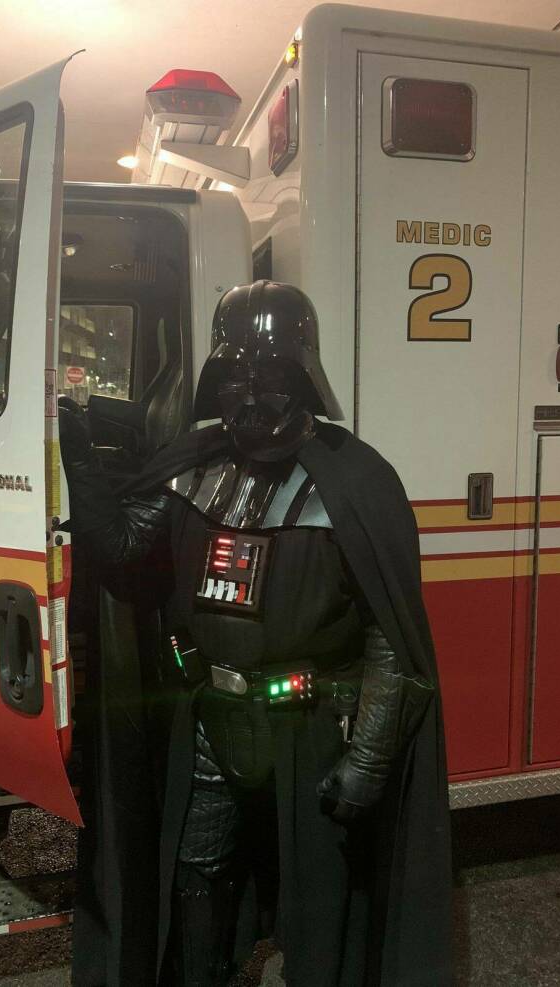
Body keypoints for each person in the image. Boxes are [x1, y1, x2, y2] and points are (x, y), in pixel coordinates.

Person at [63, 280, 452, 987]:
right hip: (211, 720)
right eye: (233, 378)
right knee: (197, 871)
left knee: (319, 893)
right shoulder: (194, 465)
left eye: (268, 377)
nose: (248, 397)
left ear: (303, 378)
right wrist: (82, 464)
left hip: (310, 729)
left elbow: (390, 635)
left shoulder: (356, 482)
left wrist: (369, 756)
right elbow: (120, 548)